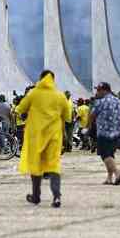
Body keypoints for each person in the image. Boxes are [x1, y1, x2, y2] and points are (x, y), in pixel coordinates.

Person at [16, 70, 72, 208]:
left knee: (35, 166)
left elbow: (20, 108)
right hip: (54, 136)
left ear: (40, 79)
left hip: (36, 136)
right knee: (53, 165)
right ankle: (57, 197)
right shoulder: (60, 96)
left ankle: (36, 196)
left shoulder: (33, 93)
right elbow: (67, 116)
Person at [90, 82, 120, 186]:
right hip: (116, 132)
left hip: (104, 132)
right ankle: (109, 178)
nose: (97, 92)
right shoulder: (118, 101)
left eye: (98, 90)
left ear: (104, 90)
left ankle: (118, 173)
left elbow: (92, 115)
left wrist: (88, 127)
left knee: (105, 155)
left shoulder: (100, 102)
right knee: (110, 155)